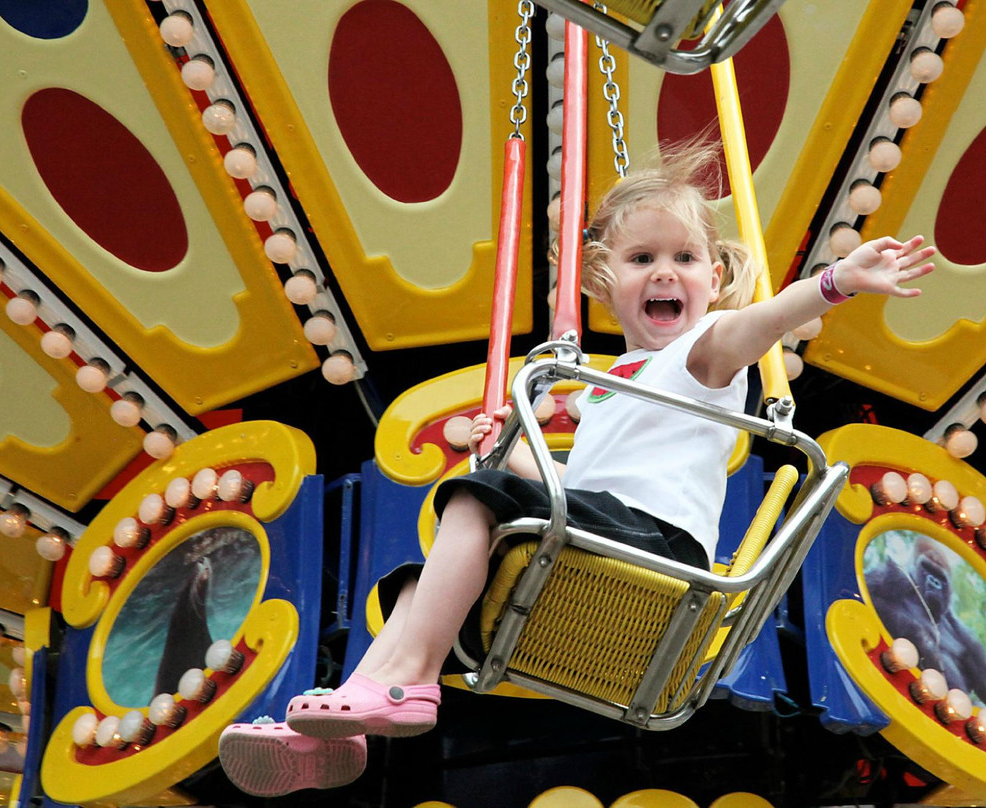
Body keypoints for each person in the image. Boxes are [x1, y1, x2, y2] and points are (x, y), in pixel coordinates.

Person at [217, 141, 936, 797]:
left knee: (472, 500)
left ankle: (407, 682)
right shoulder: (609, 383)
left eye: (685, 258)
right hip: (604, 535)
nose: (665, 272)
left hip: (660, 547)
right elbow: (577, 495)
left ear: (714, 279)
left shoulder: (704, 355)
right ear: (604, 280)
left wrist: (835, 281)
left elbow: (764, 321)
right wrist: (511, 452)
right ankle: (342, 726)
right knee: (409, 582)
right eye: (642, 258)